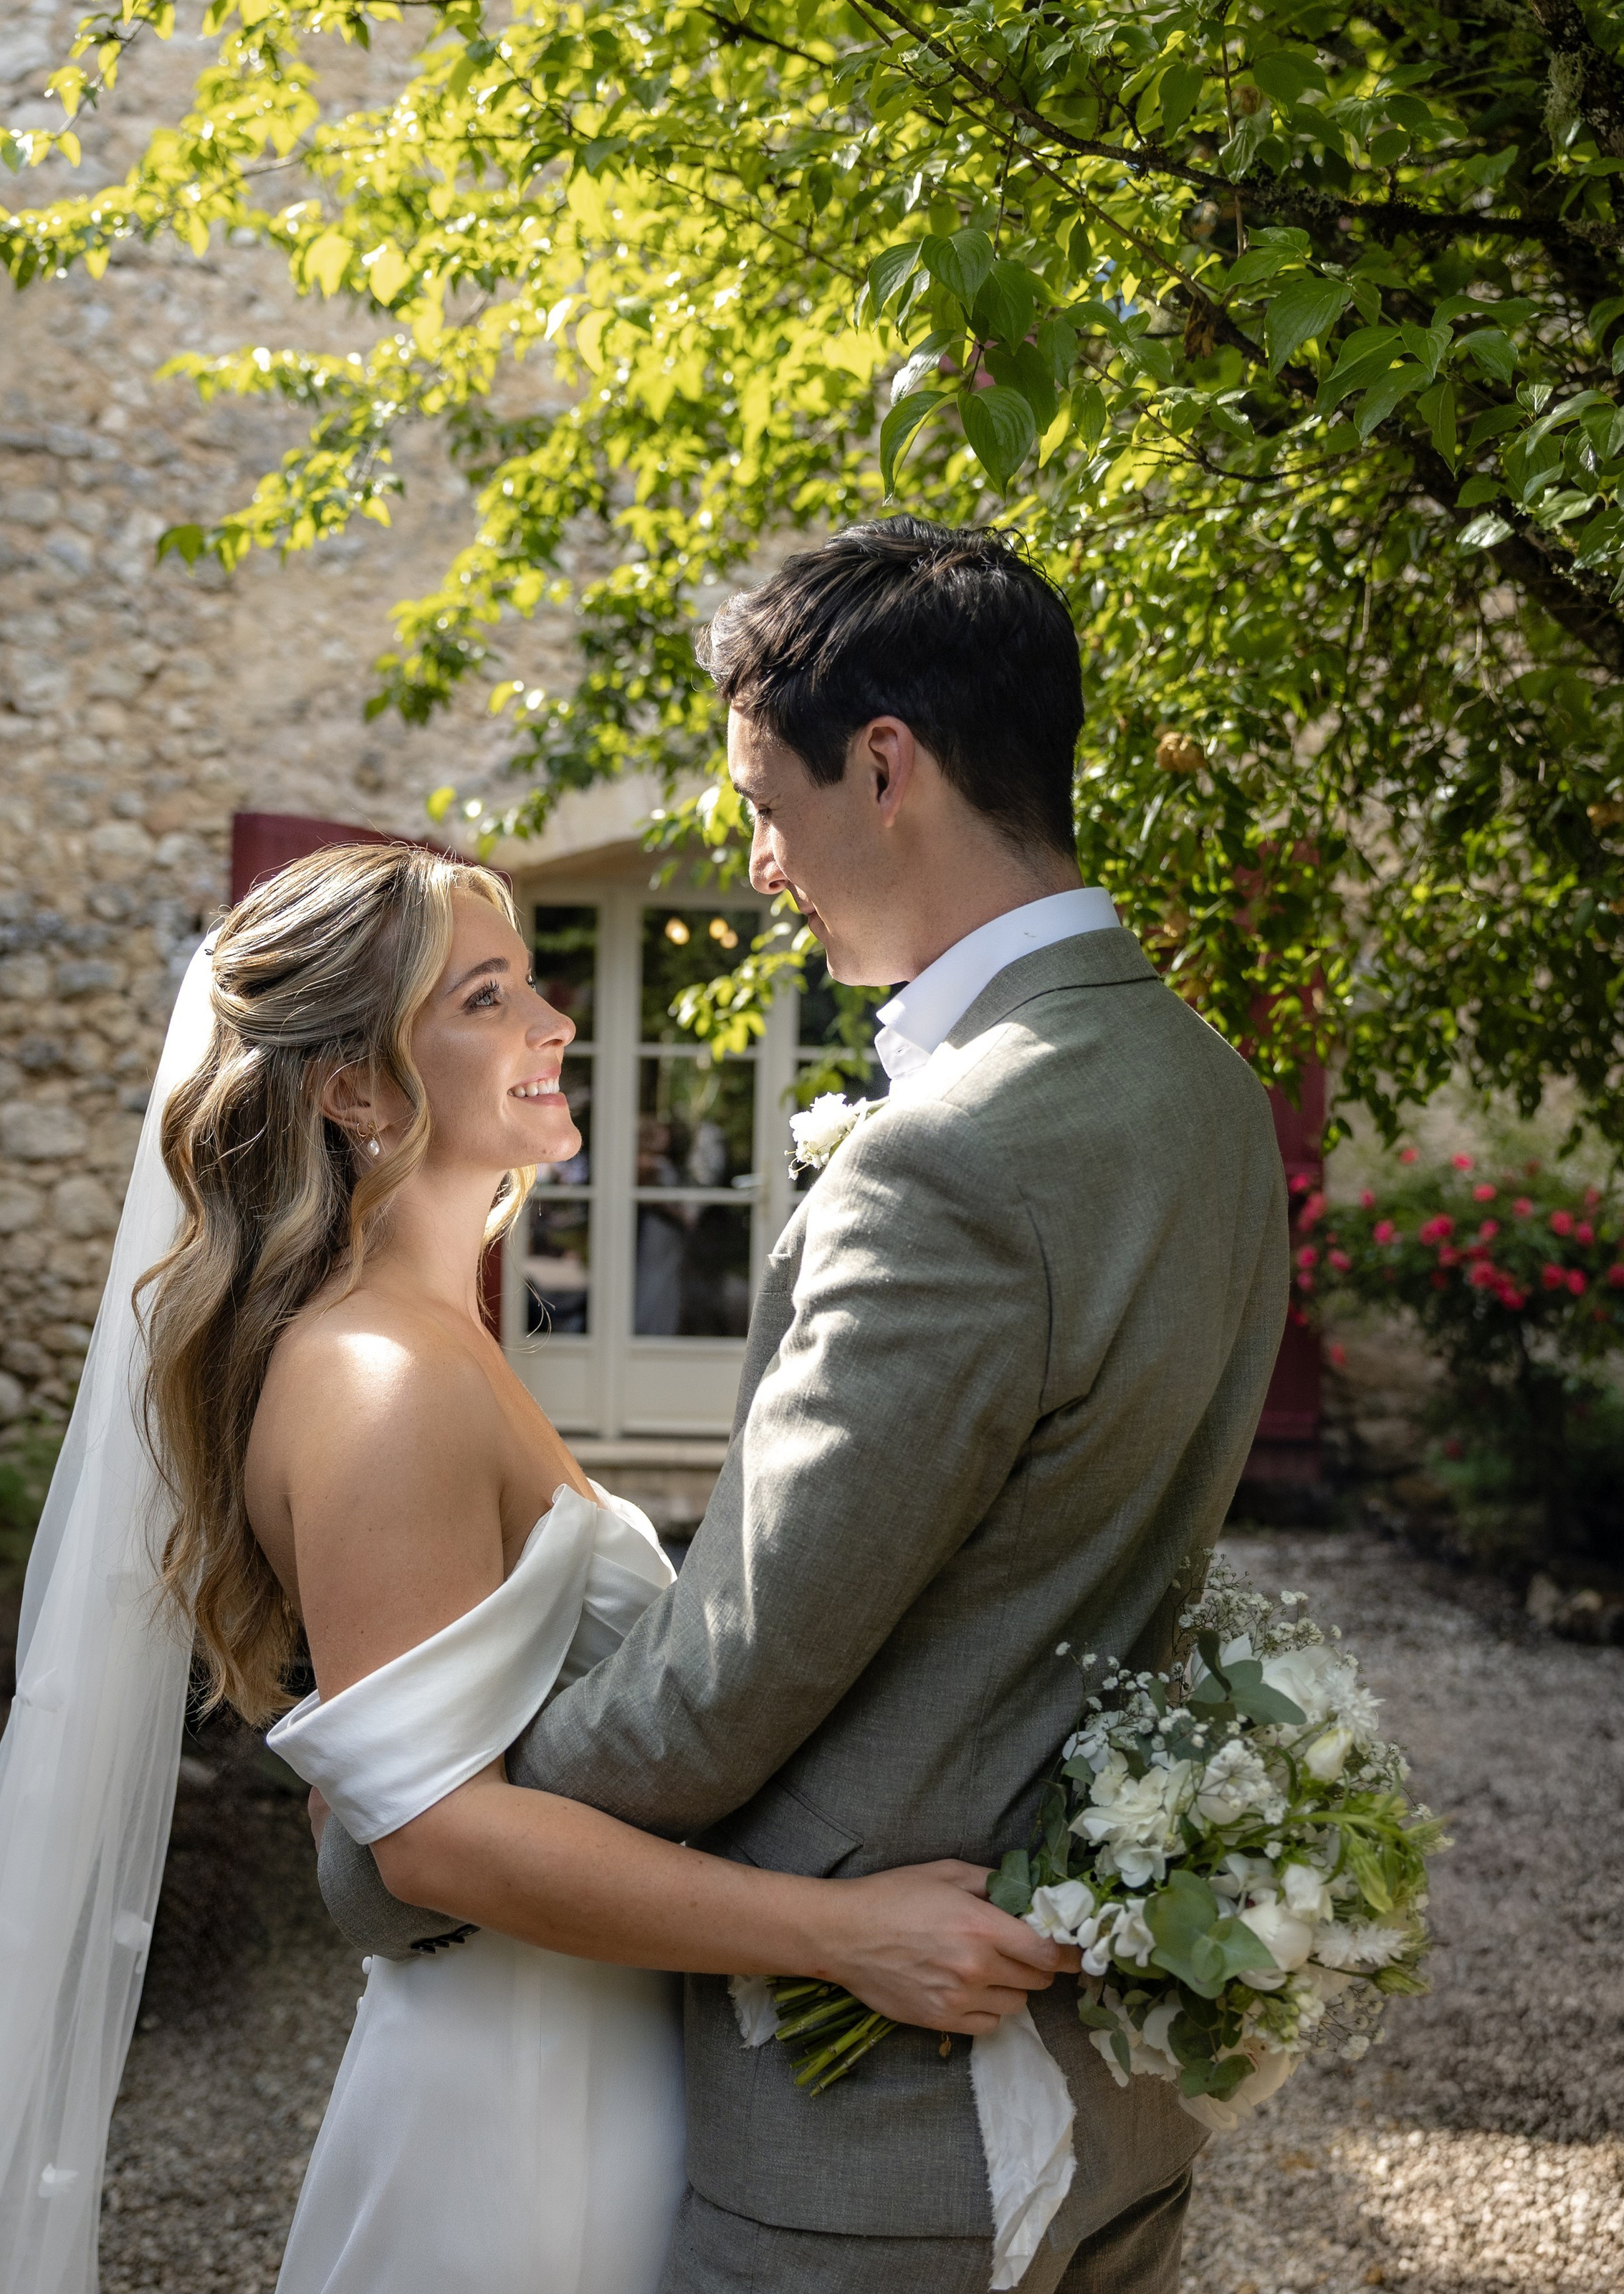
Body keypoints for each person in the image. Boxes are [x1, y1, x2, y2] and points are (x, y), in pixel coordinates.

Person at [321, 516, 1291, 2293]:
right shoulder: (1207, 1091)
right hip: (1113, 2076)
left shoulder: (953, 1157)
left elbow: (729, 1685)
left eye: (765, 801)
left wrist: (419, 1842)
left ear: (886, 764)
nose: (760, 862)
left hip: (884, 2137)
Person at [0, 840, 1064, 2294]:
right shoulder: (383, 1378)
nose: (551, 1022)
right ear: (358, 1088)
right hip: (514, 2113)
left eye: (529, 987)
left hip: (576, 2047)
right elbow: (433, 1836)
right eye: (486, 998)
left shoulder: (435, 1348)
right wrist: (843, 1936)